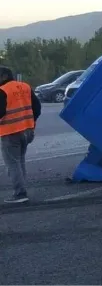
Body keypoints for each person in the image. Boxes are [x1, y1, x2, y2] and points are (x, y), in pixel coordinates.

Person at [0, 66, 41, 203]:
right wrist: (31, 122)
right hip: (27, 131)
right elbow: (37, 107)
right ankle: (22, 189)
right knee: (19, 161)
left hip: (10, 132)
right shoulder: (25, 86)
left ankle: (20, 193)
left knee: (13, 164)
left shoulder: (3, 90)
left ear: (4, 76)